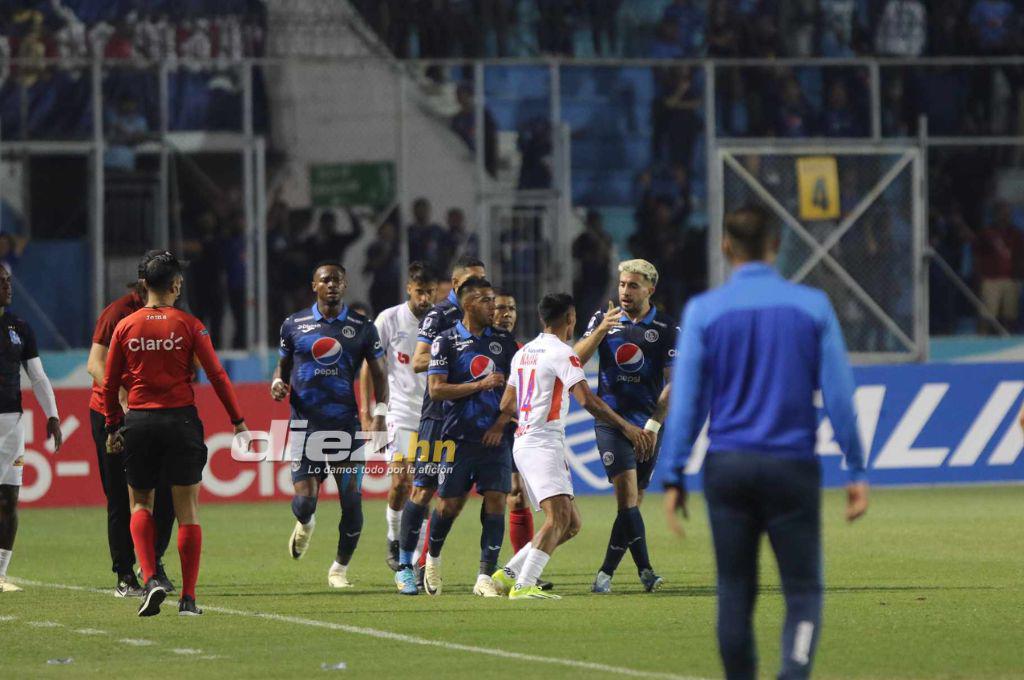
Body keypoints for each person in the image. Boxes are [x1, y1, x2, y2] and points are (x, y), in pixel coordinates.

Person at [660, 205, 869, 680]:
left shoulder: (703, 311)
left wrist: (673, 473)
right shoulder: (813, 306)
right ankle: (792, 673)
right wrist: (856, 470)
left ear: (725, 246)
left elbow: (688, 400)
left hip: (727, 467)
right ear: (776, 245)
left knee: (735, 588)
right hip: (791, 466)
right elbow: (839, 396)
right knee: (802, 592)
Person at [103, 252, 247, 616]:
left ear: (144, 285)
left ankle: (150, 578)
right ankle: (188, 599)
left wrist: (110, 423)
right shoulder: (189, 324)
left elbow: (109, 382)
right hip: (180, 421)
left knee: (140, 503)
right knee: (188, 511)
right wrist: (238, 419)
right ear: (176, 285)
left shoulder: (126, 326)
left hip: (139, 422)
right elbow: (217, 375)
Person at [486, 293, 651, 600]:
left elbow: (507, 403)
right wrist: (626, 426)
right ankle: (524, 586)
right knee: (558, 518)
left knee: (571, 524)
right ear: (571, 319)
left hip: (525, 442)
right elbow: (587, 400)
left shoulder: (523, 353)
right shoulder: (563, 353)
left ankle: (506, 575)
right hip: (542, 442)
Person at [272, 263, 388, 589]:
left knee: (351, 502)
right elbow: (281, 370)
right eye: (325, 280)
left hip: (345, 428)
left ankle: (339, 569)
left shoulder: (362, 326)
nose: (332, 285)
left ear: (345, 284)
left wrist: (379, 413)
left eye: (337, 280)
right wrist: (277, 384)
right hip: (304, 426)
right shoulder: (293, 325)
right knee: (306, 501)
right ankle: (305, 523)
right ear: (314, 286)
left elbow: (379, 374)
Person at [573, 259, 676, 594]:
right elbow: (574, 359)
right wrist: (601, 329)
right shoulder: (605, 320)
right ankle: (646, 571)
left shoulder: (665, 327)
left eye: (633, 285)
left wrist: (652, 425)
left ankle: (605, 575)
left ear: (650, 289)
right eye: (621, 285)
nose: (625, 291)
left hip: (648, 427)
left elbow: (674, 384)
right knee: (627, 497)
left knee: (634, 502)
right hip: (611, 422)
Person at [394, 255, 486, 595]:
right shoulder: (439, 315)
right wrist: (453, 356)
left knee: (455, 500)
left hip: (473, 418)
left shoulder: (486, 317)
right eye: (476, 282)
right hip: (437, 417)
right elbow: (418, 362)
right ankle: (404, 565)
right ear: (460, 284)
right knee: (422, 489)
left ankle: (427, 561)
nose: (483, 289)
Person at [421, 276, 518, 597]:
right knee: (448, 506)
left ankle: (484, 577)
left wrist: (499, 424)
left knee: (496, 501)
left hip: (495, 438)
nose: (495, 307)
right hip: (457, 437)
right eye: (487, 301)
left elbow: (516, 390)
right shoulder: (445, 341)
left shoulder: (504, 341)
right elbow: (436, 390)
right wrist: (479, 385)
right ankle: (432, 560)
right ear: (468, 304)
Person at [86, 252, 176, 598]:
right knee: (121, 499)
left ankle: (152, 562)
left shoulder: (173, 315)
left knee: (168, 490)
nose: (176, 284)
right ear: (147, 282)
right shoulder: (118, 312)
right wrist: (122, 394)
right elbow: (95, 364)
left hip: (154, 414)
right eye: (169, 276)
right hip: (113, 413)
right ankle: (124, 574)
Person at [357, 262, 438, 572]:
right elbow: (370, 367)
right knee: (402, 482)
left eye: (430, 293)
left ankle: (415, 556)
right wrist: (369, 412)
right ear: (409, 289)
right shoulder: (389, 320)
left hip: (432, 413)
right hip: (400, 412)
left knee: (423, 487)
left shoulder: (441, 322)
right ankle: (393, 535)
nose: (425, 299)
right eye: (420, 292)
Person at [0, 267, 62, 593]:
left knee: (9, 500)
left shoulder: (19, 327)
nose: (8, 286)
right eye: (1, 282)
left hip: (12, 426)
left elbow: (37, 376)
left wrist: (52, 415)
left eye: (9, 280)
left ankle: (0, 574)